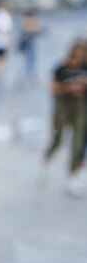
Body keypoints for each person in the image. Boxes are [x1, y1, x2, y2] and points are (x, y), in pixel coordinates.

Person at [41, 39, 87, 197]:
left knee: (77, 143)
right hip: (63, 108)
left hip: (80, 108)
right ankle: (46, 161)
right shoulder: (61, 68)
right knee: (57, 140)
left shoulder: (85, 67)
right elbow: (53, 88)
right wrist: (70, 87)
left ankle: (72, 177)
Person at [18, 10, 42, 78]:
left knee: (31, 58)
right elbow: (32, 30)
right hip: (28, 42)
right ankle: (28, 73)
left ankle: (29, 72)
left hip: (29, 42)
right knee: (30, 58)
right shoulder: (29, 20)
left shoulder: (26, 20)